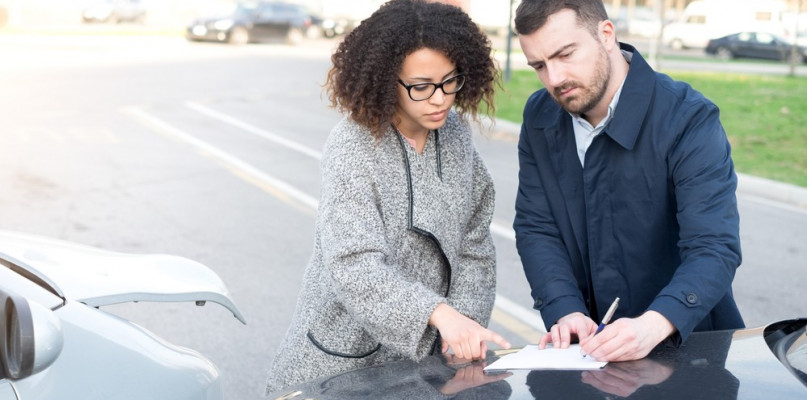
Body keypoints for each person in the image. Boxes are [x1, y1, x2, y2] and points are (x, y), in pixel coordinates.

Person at [266, 0, 510, 392]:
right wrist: (438, 312)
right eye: (421, 86)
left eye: (451, 80)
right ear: (384, 79)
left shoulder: (455, 135)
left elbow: (474, 242)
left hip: (430, 359)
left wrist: (461, 324)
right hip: (343, 357)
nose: (440, 99)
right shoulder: (352, 146)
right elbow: (353, 263)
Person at [512, 0, 744, 362]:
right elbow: (537, 227)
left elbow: (714, 247)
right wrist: (564, 309)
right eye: (539, 66)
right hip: (586, 358)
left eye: (565, 55)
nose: (554, 79)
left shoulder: (688, 118)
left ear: (606, 34)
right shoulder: (540, 115)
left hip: (690, 354)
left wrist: (654, 324)